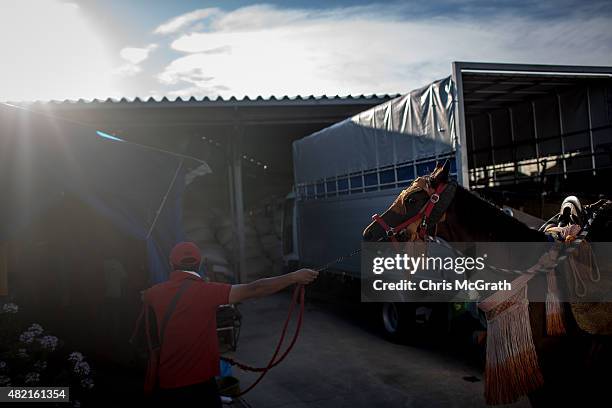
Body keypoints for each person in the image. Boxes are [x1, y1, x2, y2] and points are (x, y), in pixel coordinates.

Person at [143, 241, 318, 407]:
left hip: (167, 385)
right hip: (201, 386)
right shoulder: (209, 291)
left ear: (171, 264)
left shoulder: (153, 294)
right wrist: (294, 276)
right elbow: (254, 289)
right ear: (200, 263)